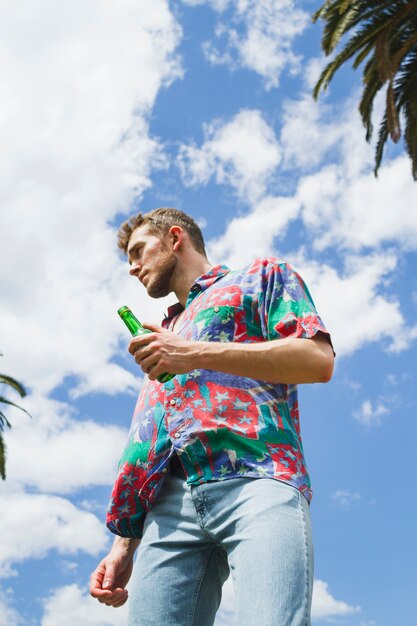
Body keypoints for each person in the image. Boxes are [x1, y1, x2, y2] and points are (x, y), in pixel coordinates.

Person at [90, 207, 334, 626]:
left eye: (138, 251)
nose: (132, 267)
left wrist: (191, 352)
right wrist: (124, 544)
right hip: (167, 514)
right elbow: (149, 439)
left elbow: (316, 359)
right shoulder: (164, 332)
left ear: (174, 237)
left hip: (257, 479)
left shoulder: (261, 276)